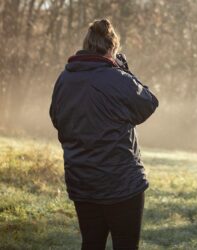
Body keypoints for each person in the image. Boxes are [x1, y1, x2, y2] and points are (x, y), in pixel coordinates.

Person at [49, 19, 158, 250]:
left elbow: (57, 119)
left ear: (86, 45)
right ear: (112, 48)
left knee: (91, 243)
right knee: (126, 245)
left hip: (81, 180)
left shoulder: (64, 79)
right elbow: (148, 103)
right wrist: (125, 71)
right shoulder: (117, 78)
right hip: (121, 183)